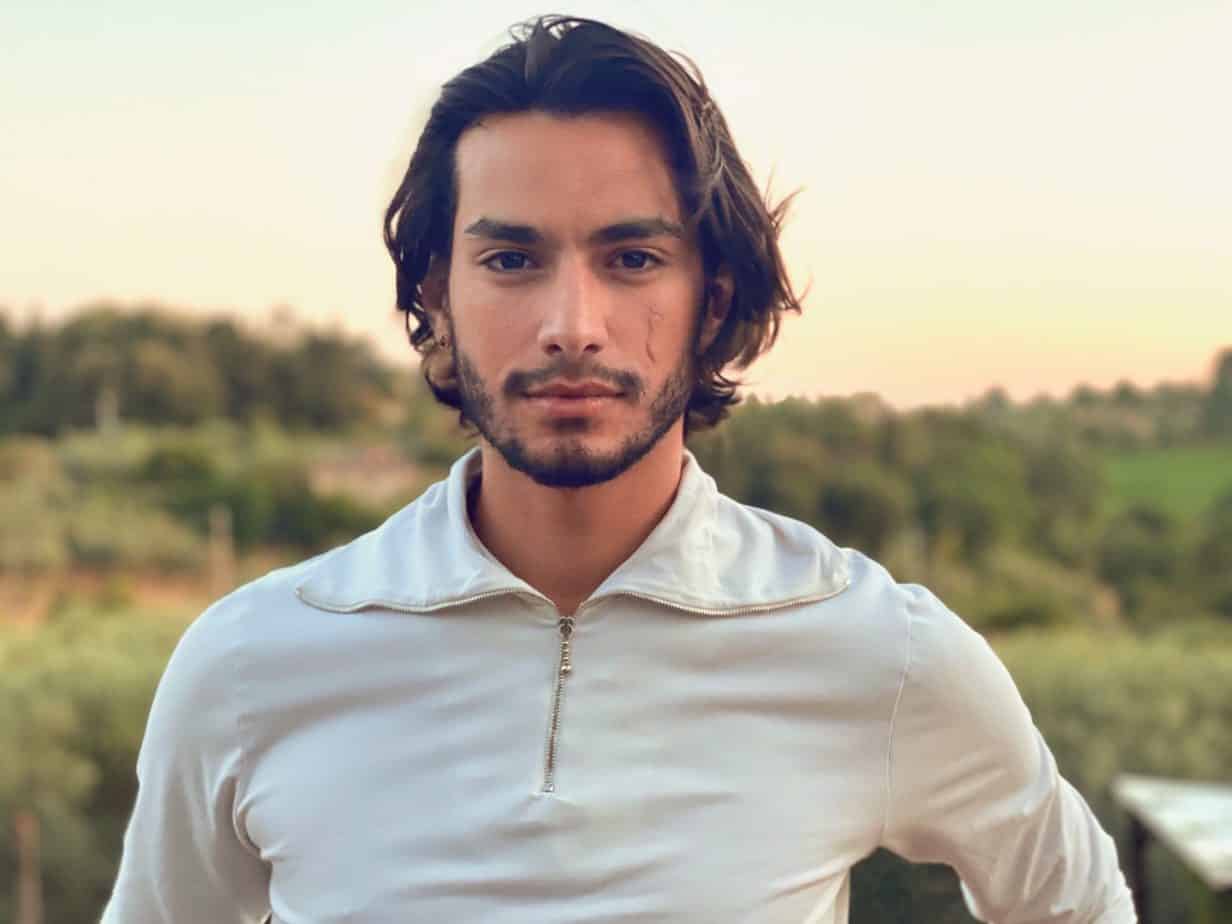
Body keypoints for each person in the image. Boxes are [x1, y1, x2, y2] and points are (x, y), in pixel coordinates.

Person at [102, 15, 1137, 924]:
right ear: (438, 294)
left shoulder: (880, 650)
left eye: (632, 259)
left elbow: (1078, 906)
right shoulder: (251, 663)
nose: (572, 325)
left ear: (711, 298)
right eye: (511, 260)